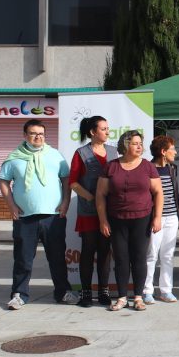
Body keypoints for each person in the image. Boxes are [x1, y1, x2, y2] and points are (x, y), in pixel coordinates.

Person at [0, 119, 79, 310]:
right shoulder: (14, 157)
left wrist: (66, 202)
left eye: (41, 133)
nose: (38, 137)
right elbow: (3, 181)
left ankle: (62, 292)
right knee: (23, 259)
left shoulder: (55, 155)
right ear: (25, 135)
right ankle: (19, 294)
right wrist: (11, 206)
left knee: (57, 258)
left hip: (53, 217)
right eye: (33, 133)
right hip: (25, 218)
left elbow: (66, 179)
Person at [96, 130, 163, 311]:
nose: (139, 147)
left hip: (142, 219)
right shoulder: (111, 167)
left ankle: (139, 297)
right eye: (135, 143)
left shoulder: (148, 167)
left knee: (139, 258)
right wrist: (103, 220)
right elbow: (100, 194)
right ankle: (122, 297)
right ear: (125, 145)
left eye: (140, 143)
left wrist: (157, 217)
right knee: (121, 259)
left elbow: (158, 192)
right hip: (117, 220)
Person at [69, 116, 119, 307]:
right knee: (88, 250)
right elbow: (73, 182)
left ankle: (104, 291)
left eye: (108, 128)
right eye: (103, 129)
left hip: (110, 211)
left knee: (105, 251)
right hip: (88, 211)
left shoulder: (113, 151)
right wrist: (92, 198)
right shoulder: (81, 153)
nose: (107, 132)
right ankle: (86, 293)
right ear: (92, 132)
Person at [143, 135, 179, 304]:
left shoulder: (172, 168)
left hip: (172, 217)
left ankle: (166, 291)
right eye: (172, 149)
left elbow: (174, 193)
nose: (175, 152)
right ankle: (147, 291)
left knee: (168, 255)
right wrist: (153, 217)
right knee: (151, 254)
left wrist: (178, 215)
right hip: (155, 218)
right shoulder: (148, 169)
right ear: (163, 152)